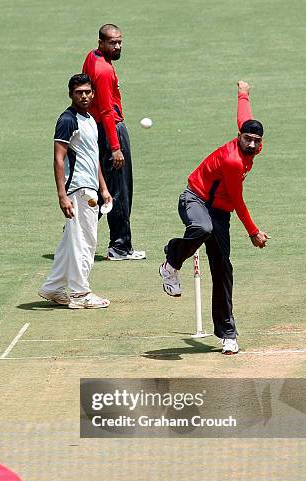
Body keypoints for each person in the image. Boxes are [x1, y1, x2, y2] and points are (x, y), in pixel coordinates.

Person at [159, 81, 270, 355]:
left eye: (256, 141)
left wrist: (243, 92)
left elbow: (243, 115)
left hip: (220, 212)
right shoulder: (233, 161)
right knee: (202, 227)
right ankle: (171, 263)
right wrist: (254, 232)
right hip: (194, 199)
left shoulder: (251, 144)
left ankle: (228, 334)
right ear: (239, 137)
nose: (252, 144)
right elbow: (238, 200)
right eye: (247, 139)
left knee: (222, 270)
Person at [39, 73, 112, 309]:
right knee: (85, 240)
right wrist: (62, 195)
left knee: (70, 241)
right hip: (77, 189)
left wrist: (103, 187)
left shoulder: (90, 119)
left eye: (87, 91)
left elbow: (93, 156)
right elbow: (58, 159)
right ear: (71, 94)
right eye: (79, 92)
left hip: (90, 187)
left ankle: (53, 287)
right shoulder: (68, 120)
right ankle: (81, 294)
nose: (84, 96)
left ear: (93, 93)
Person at [83, 24, 145, 261]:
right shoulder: (104, 71)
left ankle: (75, 231)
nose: (117, 46)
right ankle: (120, 247)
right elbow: (108, 111)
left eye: (119, 42)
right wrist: (116, 147)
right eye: (112, 43)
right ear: (101, 43)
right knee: (120, 190)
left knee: (104, 187)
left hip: (97, 128)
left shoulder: (92, 57)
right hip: (111, 131)